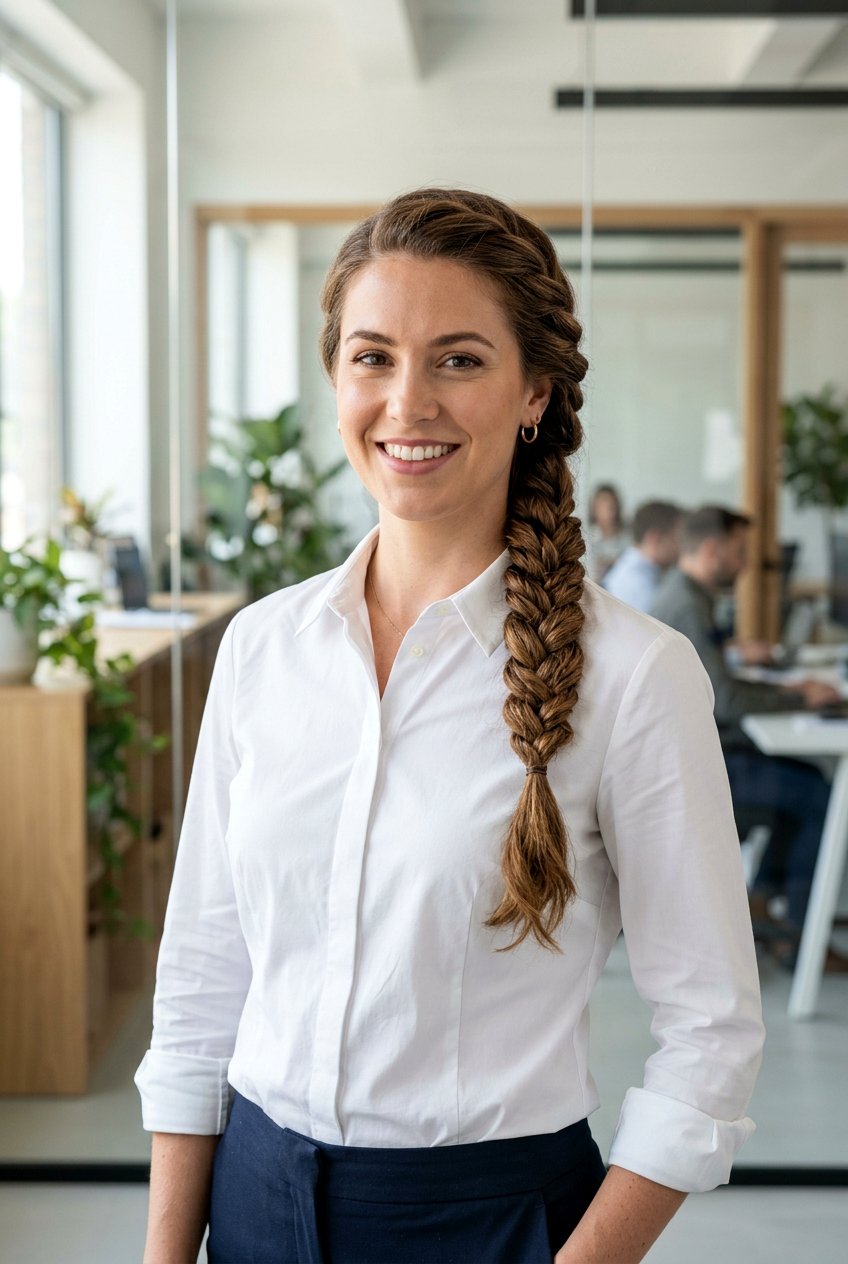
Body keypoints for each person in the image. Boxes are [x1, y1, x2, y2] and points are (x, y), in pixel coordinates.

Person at [136, 191, 764, 1264]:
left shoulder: (635, 677)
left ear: (534, 394)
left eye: (459, 360)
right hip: (251, 1197)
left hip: (492, 1219)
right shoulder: (260, 648)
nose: (406, 401)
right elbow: (204, 979)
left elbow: (709, 1034)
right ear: (338, 378)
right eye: (372, 357)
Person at [650, 505, 843, 963]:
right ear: (713, 550)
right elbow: (727, 700)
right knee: (817, 794)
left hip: (697, 754)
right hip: (700, 767)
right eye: (739, 552)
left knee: (805, 784)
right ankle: (801, 942)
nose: (745, 564)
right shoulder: (688, 604)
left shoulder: (687, 595)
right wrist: (800, 696)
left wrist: (788, 687)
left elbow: (720, 684)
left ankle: (765, 907)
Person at [603, 500, 683, 613]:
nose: (680, 546)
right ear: (654, 538)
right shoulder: (640, 586)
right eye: (676, 538)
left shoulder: (634, 568)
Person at [585, 482, 628, 582]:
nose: (609, 512)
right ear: (594, 509)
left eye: (612, 506)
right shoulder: (586, 538)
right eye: (603, 507)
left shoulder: (628, 537)